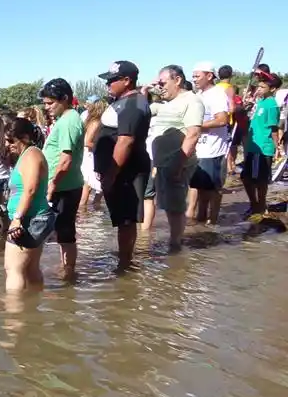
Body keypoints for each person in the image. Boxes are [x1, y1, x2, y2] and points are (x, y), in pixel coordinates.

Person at [140, 65, 203, 249]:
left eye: (163, 83)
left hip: (177, 163)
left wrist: (178, 164)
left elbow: (193, 134)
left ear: (177, 80)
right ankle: (174, 245)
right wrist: (145, 91)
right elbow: (142, 112)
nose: (160, 87)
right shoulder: (166, 103)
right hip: (163, 163)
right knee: (168, 206)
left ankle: (175, 247)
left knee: (175, 207)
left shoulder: (191, 101)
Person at [95, 60, 151, 271]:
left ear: (127, 80)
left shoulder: (133, 104)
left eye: (112, 80)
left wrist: (111, 174)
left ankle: (124, 265)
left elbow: (125, 141)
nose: (107, 84)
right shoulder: (122, 102)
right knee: (122, 219)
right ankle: (124, 261)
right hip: (119, 171)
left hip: (127, 171)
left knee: (126, 220)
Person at [39, 78, 85, 280]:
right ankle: (65, 269)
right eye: (45, 103)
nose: (46, 107)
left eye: (50, 103)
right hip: (63, 185)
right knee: (62, 232)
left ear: (64, 99)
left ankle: (68, 273)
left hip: (63, 187)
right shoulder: (66, 119)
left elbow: (65, 160)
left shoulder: (68, 122)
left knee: (65, 233)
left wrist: (52, 185)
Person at [4, 118, 55, 292]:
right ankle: (33, 304)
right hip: (34, 218)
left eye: (11, 140)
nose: (8, 144)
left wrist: (17, 218)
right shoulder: (27, 154)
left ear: (25, 137)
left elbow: (30, 189)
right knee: (31, 269)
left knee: (13, 269)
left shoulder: (32, 155)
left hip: (30, 219)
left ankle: (14, 307)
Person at [189, 61, 230, 225]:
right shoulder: (199, 95)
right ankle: (201, 220)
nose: (194, 79)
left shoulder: (217, 94)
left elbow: (222, 120)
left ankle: (212, 222)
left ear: (209, 76)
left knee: (213, 189)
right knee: (200, 188)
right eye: (193, 76)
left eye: (197, 76)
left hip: (213, 150)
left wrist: (197, 126)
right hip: (199, 149)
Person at [242, 72, 283, 214]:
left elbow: (273, 129)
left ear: (272, 89)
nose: (258, 89)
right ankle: (255, 204)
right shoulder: (260, 102)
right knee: (247, 178)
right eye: (258, 86)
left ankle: (260, 205)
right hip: (253, 146)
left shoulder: (271, 105)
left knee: (259, 180)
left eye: (262, 87)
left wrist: (277, 147)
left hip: (263, 147)